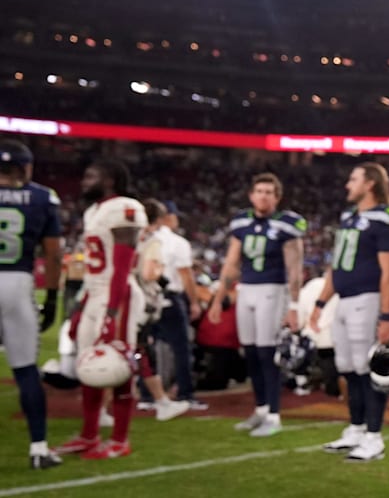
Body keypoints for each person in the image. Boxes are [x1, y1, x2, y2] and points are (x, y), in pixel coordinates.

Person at [54, 158, 148, 460]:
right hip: (94, 293)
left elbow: (121, 268)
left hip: (117, 295)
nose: (84, 180)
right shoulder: (93, 210)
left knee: (118, 365)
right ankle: (89, 434)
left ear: (109, 180)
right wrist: (81, 309)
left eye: (91, 175)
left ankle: (120, 439)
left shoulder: (125, 208)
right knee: (88, 365)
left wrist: (112, 313)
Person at [310, 163, 389, 462]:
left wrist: (386, 316)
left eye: (354, 179)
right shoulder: (349, 218)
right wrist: (321, 302)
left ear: (370, 184)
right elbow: (336, 267)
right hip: (344, 300)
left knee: (367, 370)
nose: (347, 184)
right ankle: (356, 428)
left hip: (367, 298)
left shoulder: (386, 219)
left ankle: (374, 438)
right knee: (347, 368)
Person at [209, 173, 307, 438]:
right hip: (247, 290)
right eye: (259, 191)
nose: (263, 196)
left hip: (272, 290)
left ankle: (274, 415)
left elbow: (294, 268)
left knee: (267, 354)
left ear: (277, 197)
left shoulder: (287, 224)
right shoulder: (241, 221)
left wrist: (294, 305)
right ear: (251, 195)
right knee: (250, 353)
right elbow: (231, 263)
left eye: (268, 192)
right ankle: (261, 409)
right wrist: (219, 299)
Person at [0, 139, 63, 469]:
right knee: (25, 371)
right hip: (18, 282)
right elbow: (53, 254)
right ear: (25, 167)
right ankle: (39, 448)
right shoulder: (42, 197)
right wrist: (52, 297)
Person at [137, 200, 205, 411]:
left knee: (145, 348)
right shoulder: (177, 242)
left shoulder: (140, 239)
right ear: (166, 218)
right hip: (169, 298)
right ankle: (185, 394)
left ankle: (147, 395)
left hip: (144, 298)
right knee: (181, 349)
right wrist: (194, 302)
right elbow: (186, 277)